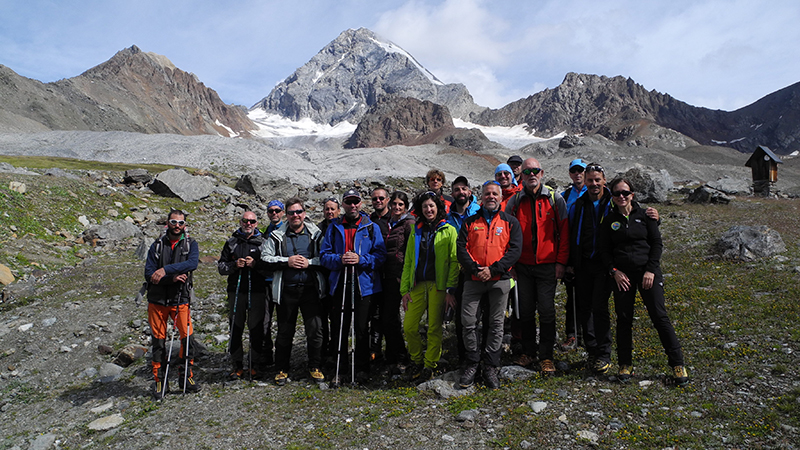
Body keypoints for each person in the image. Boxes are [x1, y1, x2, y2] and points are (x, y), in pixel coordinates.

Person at [599, 178, 688, 385]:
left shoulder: (646, 215)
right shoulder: (609, 220)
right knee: (623, 318)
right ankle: (625, 364)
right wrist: (614, 271)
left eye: (625, 193)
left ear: (632, 194)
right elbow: (604, 250)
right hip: (623, 276)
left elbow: (657, 243)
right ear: (611, 196)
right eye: (616, 193)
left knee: (659, 316)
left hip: (648, 273)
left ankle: (677, 363)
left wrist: (651, 270)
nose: (621, 197)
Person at [505, 158, 570, 376]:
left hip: (547, 266)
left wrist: (561, 262)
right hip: (522, 266)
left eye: (535, 171)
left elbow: (564, 232)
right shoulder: (514, 202)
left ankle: (547, 356)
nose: (531, 174)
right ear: (521, 176)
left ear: (541, 173)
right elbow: (507, 236)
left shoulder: (554, 198)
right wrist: (510, 264)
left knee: (547, 310)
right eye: (527, 172)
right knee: (525, 311)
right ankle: (529, 351)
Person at [457, 181, 522, 389]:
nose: (491, 197)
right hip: (473, 280)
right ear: (481, 197)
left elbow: (514, 250)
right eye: (487, 194)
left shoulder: (510, 222)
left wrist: (492, 270)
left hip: (500, 280)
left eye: (495, 194)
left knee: (496, 325)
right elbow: (461, 249)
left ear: (501, 197)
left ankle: (491, 365)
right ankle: (473, 362)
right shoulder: (469, 222)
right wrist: (477, 269)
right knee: (468, 322)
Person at [320, 188, 386, 383]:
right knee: (340, 327)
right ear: (343, 205)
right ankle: (340, 369)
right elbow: (324, 256)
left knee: (361, 328)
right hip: (340, 283)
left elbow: (380, 256)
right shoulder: (333, 227)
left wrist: (361, 259)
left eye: (356, 201)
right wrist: (340, 259)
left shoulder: (370, 226)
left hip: (364, 285)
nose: (353, 205)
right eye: (349, 202)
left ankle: (362, 369)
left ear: (361, 203)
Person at [262, 197, 327, 385]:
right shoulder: (276, 235)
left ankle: (315, 366)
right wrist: (286, 261)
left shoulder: (316, 234)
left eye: (298, 212)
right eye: (291, 213)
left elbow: (326, 258)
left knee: (315, 330)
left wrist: (310, 263)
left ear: (304, 214)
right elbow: (265, 258)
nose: (295, 216)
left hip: (311, 289)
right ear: (286, 215)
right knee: (284, 331)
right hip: (286, 290)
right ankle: (281, 369)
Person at [401, 191, 459, 383]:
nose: (428, 209)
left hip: (438, 286)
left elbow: (453, 261)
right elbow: (409, 260)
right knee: (409, 326)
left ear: (438, 208)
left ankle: (429, 365)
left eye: (432, 206)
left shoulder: (449, 230)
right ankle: (416, 360)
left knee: (434, 327)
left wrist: (450, 289)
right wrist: (404, 290)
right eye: (425, 206)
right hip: (417, 286)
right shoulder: (416, 230)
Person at [144, 209, 200, 398]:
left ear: (185, 225)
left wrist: (166, 270)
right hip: (157, 300)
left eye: (181, 223)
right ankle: (160, 381)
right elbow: (149, 274)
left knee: (187, 338)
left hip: (180, 299)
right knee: (158, 342)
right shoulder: (157, 245)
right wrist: (172, 278)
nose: (177, 226)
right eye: (174, 222)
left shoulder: (190, 244)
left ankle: (186, 377)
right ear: (167, 223)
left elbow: (192, 264)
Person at [217, 211, 270, 380]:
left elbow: (270, 267)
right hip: (236, 291)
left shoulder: (263, 242)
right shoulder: (232, 242)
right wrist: (234, 265)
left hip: (257, 291)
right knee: (236, 327)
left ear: (256, 223)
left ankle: (254, 364)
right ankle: (237, 365)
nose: (248, 224)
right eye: (245, 221)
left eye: (252, 221)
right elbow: (221, 267)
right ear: (240, 222)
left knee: (256, 328)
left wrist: (255, 264)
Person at [445, 176, 481, 365]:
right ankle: (464, 356)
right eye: (457, 190)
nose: (460, 192)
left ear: (469, 191)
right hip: (457, 272)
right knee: (461, 316)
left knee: (481, 314)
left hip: (478, 269)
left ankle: (481, 355)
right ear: (452, 194)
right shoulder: (448, 218)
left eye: (463, 189)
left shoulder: (479, 212)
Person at [381, 191, 414, 370]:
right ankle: (393, 355)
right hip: (386, 276)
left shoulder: (409, 224)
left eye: (400, 204)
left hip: (400, 276)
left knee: (394, 318)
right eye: (394, 204)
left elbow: (411, 252)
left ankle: (402, 356)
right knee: (389, 318)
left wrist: (405, 275)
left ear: (406, 207)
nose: (397, 207)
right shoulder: (387, 224)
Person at [560, 158, 588, 351]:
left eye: (581, 170)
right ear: (570, 174)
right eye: (574, 171)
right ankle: (572, 334)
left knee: (592, 297)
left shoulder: (600, 192)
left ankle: (589, 334)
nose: (578, 174)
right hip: (572, 252)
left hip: (592, 253)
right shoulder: (565, 195)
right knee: (572, 296)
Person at [368, 187, 391, 361]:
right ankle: (374, 351)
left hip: (391, 274)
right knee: (374, 314)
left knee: (391, 316)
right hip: (374, 274)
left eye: (381, 198)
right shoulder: (368, 221)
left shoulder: (395, 218)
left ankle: (393, 353)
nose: (378, 201)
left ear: (387, 199)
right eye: (375, 199)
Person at [317, 197, 339, 359]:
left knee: (337, 317)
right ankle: (323, 351)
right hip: (322, 277)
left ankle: (336, 350)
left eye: (332, 209)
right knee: (322, 316)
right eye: (327, 209)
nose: (330, 212)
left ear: (339, 210)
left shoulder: (342, 226)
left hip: (337, 277)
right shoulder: (318, 230)